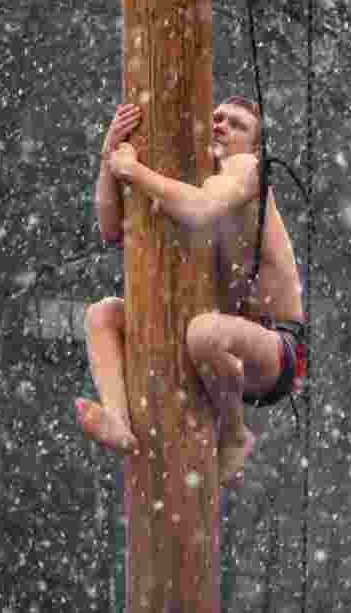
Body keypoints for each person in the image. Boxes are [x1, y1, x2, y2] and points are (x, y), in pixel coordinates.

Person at [75, 97, 307, 485]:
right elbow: (111, 228)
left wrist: (132, 170)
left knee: (204, 332)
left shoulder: (247, 169)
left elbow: (201, 207)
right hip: (218, 344)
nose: (221, 126)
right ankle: (118, 419)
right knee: (103, 315)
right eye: (216, 118)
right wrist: (109, 155)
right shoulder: (188, 178)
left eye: (237, 125)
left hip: (276, 347)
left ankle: (235, 435)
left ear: (255, 147)